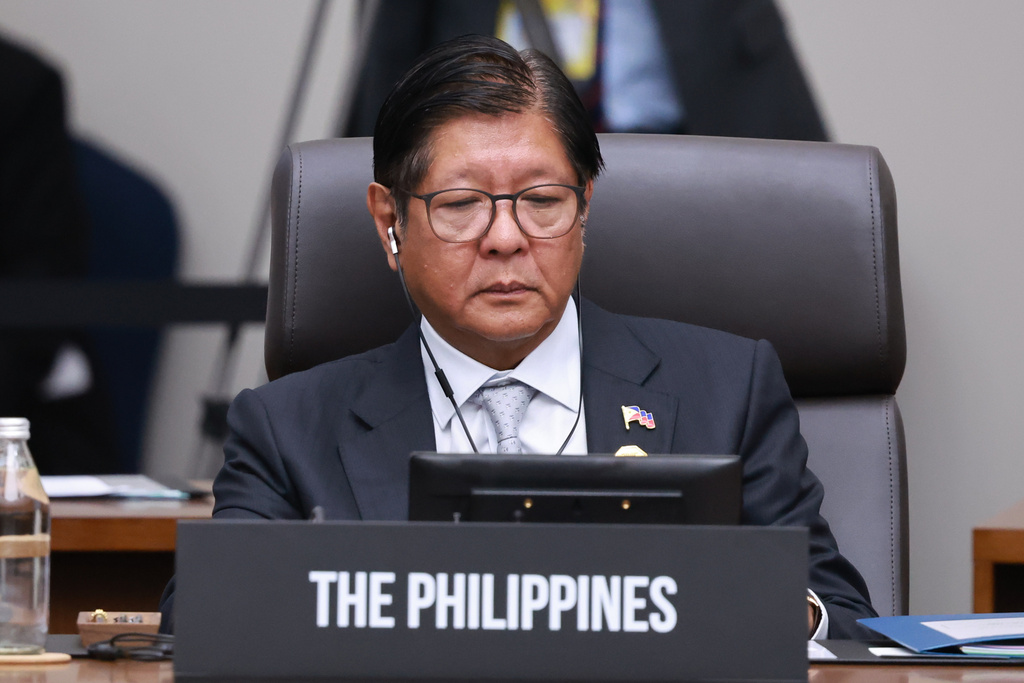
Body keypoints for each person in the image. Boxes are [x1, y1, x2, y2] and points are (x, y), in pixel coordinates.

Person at [160, 35, 874, 638]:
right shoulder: (288, 430)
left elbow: (839, 618)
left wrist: (739, 599)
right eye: (462, 205)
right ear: (389, 223)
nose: (507, 238)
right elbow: (200, 623)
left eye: (541, 202)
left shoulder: (727, 389)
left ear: (585, 206)